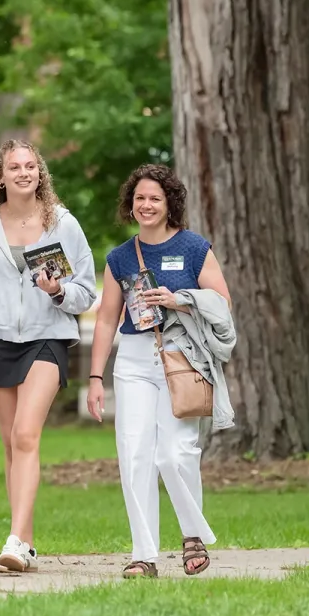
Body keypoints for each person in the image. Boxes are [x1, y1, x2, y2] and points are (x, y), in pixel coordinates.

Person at [0, 140, 97, 572]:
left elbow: (85, 290)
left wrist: (58, 290)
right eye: (14, 166)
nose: (23, 172)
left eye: (31, 165)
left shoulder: (62, 224)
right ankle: (24, 542)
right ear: (1, 175)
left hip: (47, 335)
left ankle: (14, 540)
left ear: (40, 173)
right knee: (11, 442)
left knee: (27, 434)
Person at [86, 164, 233, 579]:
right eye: (139, 199)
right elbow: (104, 320)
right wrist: (95, 378)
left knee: (174, 452)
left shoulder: (193, 247)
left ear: (169, 203)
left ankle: (192, 534)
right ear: (130, 206)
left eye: (154, 198)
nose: (146, 205)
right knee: (134, 455)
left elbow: (224, 303)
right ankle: (144, 555)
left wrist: (179, 299)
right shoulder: (119, 257)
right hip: (133, 359)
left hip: (181, 355)